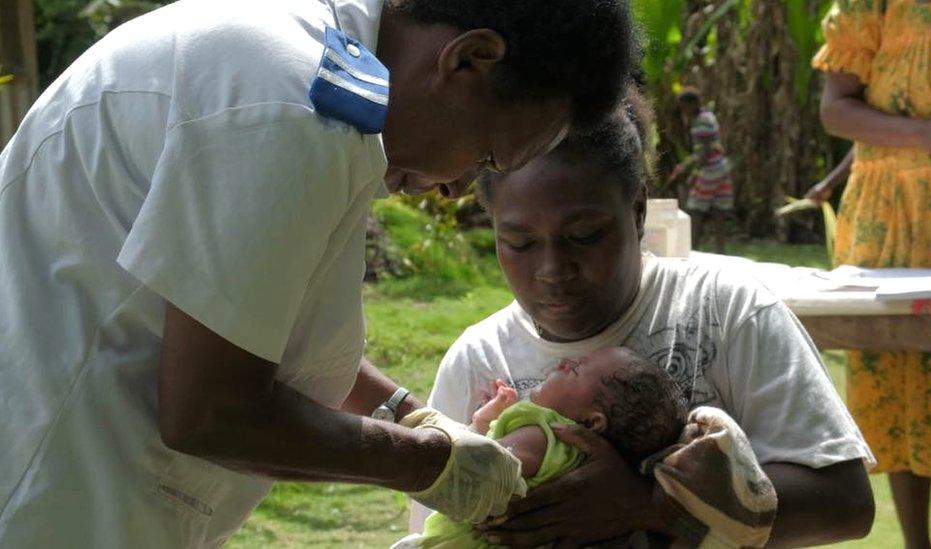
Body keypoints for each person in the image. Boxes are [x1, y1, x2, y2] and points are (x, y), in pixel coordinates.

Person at [0, 0, 637, 546]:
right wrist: (432, 463)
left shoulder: (321, 79)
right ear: (469, 59)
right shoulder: (291, 108)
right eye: (489, 155)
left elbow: (245, 320)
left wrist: (408, 412)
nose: (457, 189)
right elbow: (209, 411)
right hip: (46, 496)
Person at [411, 93, 876, 547]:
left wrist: (652, 504)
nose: (553, 270)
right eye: (521, 243)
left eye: (584, 235)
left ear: (636, 211)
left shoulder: (726, 310)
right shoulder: (478, 360)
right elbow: (439, 525)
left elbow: (845, 503)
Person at [813, 1, 931, 547]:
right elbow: (836, 110)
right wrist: (927, 133)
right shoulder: (871, 6)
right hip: (891, 217)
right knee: (902, 375)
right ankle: (917, 544)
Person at [398, 347, 690, 548]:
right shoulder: (579, 460)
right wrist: (485, 420)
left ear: (591, 423)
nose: (565, 361)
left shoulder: (544, 434)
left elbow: (482, 469)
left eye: (576, 370)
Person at [666, 87, 734, 253]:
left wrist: (693, 176)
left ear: (693, 104)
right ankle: (720, 251)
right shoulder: (708, 116)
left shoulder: (699, 122)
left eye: (684, 107)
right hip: (722, 168)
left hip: (710, 170)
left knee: (695, 209)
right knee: (719, 209)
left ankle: (692, 249)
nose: (683, 111)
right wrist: (684, 166)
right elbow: (704, 150)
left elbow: (703, 153)